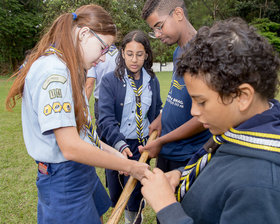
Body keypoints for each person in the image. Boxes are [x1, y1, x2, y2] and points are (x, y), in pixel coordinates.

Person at [5, 5, 149, 224]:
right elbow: (71, 146)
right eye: (103, 48)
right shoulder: (55, 71)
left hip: (82, 169)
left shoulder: (69, 67)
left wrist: (115, 155)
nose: (102, 58)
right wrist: (129, 166)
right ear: (83, 34)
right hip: (64, 178)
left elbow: (84, 134)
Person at [141, 18, 280, 224]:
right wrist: (182, 174)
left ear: (242, 97)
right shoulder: (238, 131)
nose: (193, 111)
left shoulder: (259, 186)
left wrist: (167, 208)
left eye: (201, 101)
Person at [98, 30, 162, 224]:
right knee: (117, 193)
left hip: (141, 147)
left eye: (140, 54)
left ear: (146, 55)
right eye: (130, 54)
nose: (134, 59)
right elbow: (105, 119)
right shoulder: (110, 81)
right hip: (116, 146)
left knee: (134, 196)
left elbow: (157, 109)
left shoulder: (152, 80)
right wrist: (120, 145)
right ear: (122, 53)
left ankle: (133, 219)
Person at [140, 0, 211, 173]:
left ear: (178, 14)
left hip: (188, 155)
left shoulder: (205, 54)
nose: (157, 34)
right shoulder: (178, 52)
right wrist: (162, 118)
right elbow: (177, 92)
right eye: (153, 30)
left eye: (159, 26)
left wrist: (162, 141)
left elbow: (206, 117)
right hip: (168, 149)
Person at [85, 44, 118, 134]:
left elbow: (89, 83)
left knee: (102, 133)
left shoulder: (95, 55)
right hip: (119, 101)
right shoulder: (120, 54)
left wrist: (83, 107)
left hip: (101, 101)